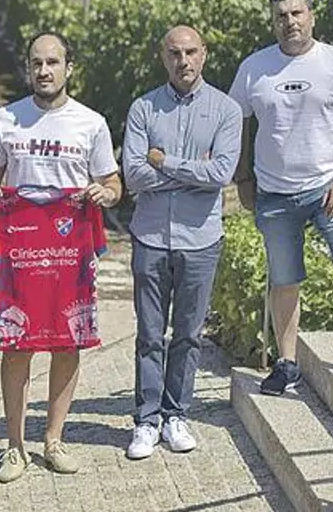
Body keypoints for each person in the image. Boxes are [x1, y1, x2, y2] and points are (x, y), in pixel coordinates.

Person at [0, 32, 123, 483]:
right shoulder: (7, 119)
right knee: (17, 346)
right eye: (37, 63)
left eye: (53, 62)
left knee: (66, 343)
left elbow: (113, 183)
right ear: (28, 68)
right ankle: (14, 447)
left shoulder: (91, 123)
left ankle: (54, 440)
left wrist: (106, 194)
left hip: (69, 251)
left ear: (68, 68)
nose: (44, 71)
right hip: (18, 252)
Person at [230, 0, 333, 396]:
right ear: (273, 21)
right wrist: (243, 177)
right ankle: (287, 362)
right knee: (284, 277)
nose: (290, 22)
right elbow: (235, 123)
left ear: (311, 16)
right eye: (281, 16)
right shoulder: (254, 67)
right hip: (274, 192)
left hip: (329, 187)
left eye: (297, 13)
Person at [122, 26, 242, 459]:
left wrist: (164, 161)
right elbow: (134, 175)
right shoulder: (143, 108)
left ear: (204, 54)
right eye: (175, 53)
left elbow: (221, 174)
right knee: (150, 334)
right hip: (151, 236)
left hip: (200, 239)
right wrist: (193, 172)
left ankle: (176, 415)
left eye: (191, 52)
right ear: (163, 57)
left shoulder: (226, 110)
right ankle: (146, 420)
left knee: (188, 334)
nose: (183, 61)